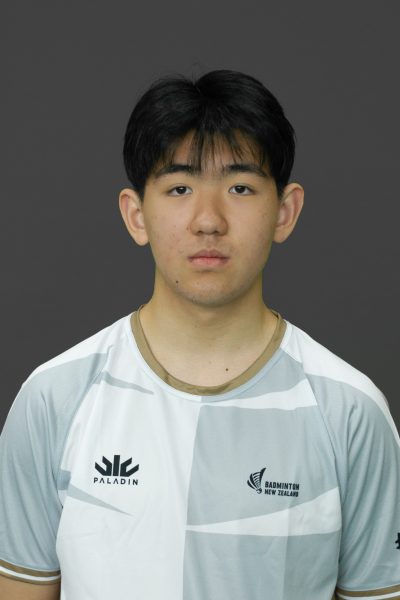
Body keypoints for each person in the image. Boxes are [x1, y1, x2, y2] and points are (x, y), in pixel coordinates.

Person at [0, 69, 399, 600]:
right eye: (180, 188)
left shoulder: (349, 412)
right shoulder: (53, 399)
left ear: (285, 212)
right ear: (136, 215)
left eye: (240, 187)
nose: (208, 220)